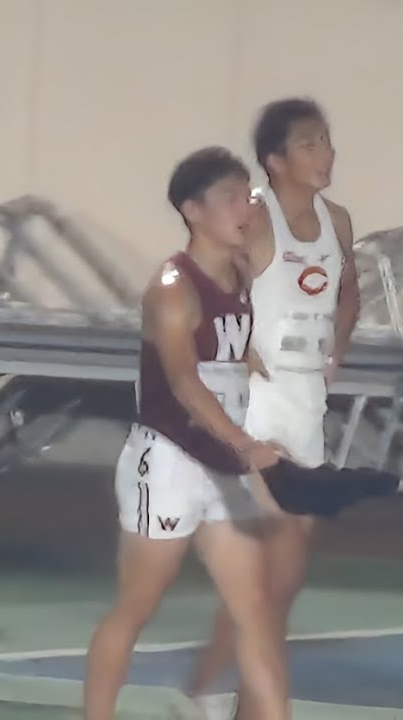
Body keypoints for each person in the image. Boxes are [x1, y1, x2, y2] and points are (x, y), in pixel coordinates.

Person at [82, 147, 291, 720]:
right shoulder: (173, 287)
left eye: (247, 195)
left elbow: (234, 349)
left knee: (255, 612)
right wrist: (244, 443)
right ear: (192, 210)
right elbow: (184, 383)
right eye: (229, 197)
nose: (244, 208)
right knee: (137, 607)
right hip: (169, 462)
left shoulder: (241, 274)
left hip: (222, 464)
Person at [186, 97, 359, 716]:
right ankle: (223, 699)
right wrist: (234, 345)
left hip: (306, 404)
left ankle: (208, 694)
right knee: (263, 574)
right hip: (257, 407)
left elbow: (348, 290)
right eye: (310, 144)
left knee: (280, 584)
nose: (326, 154)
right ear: (275, 160)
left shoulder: (337, 221)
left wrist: (338, 345)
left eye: (327, 140)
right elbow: (200, 281)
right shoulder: (253, 217)